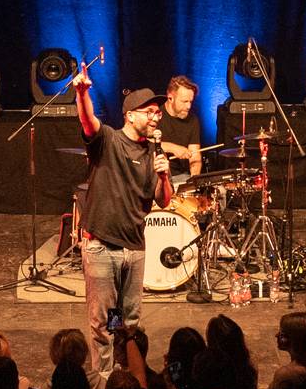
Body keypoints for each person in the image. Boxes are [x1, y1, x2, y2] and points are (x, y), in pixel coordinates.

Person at [70, 62, 170, 373]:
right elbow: (89, 122)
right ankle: (103, 384)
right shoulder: (110, 140)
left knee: (129, 323)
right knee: (104, 325)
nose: (156, 117)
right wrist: (82, 93)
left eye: (158, 112)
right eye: (149, 111)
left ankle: (125, 378)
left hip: (134, 248)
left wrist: (165, 176)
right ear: (130, 115)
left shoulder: (154, 151)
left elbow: (162, 200)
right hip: (102, 248)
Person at [156, 75, 209, 183]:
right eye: (184, 101)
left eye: (190, 101)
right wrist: (173, 148)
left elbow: (195, 156)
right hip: (157, 177)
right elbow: (146, 145)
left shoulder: (193, 120)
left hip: (182, 177)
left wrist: (194, 180)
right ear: (170, 98)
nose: (189, 106)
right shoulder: (155, 117)